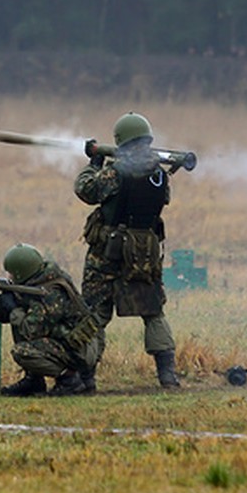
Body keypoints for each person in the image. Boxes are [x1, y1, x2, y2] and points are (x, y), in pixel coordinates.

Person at [74, 112, 180, 389]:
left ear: (120, 139)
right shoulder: (159, 173)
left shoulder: (115, 172)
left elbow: (86, 190)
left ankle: (85, 377)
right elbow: (162, 200)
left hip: (107, 252)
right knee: (153, 311)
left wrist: (93, 163)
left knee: (94, 313)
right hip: (144, 252)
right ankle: (167, 375)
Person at [0, 243, 102, 397]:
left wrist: (13, 309)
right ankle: (34, 381)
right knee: (21, 317)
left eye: (11, 273)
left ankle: (69, 381)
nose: (8, 277)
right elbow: (12, 316)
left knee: (23, 352)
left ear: (21, 272)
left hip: (81, 348)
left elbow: (31, 329)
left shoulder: (51, 293)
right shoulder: (37, 282)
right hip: (70, 342)